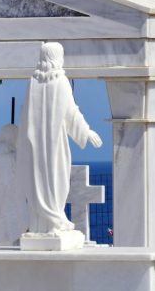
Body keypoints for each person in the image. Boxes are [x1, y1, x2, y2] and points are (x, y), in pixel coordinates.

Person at [17, 42, 102, 236]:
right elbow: (71, 112)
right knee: (56, 180)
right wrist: (86, 132)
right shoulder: (60, 81)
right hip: (53, 145)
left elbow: (25, 115)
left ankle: (40, 225)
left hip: (34, 145)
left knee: (38, 181)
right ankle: (53, 222)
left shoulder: (33, 81)